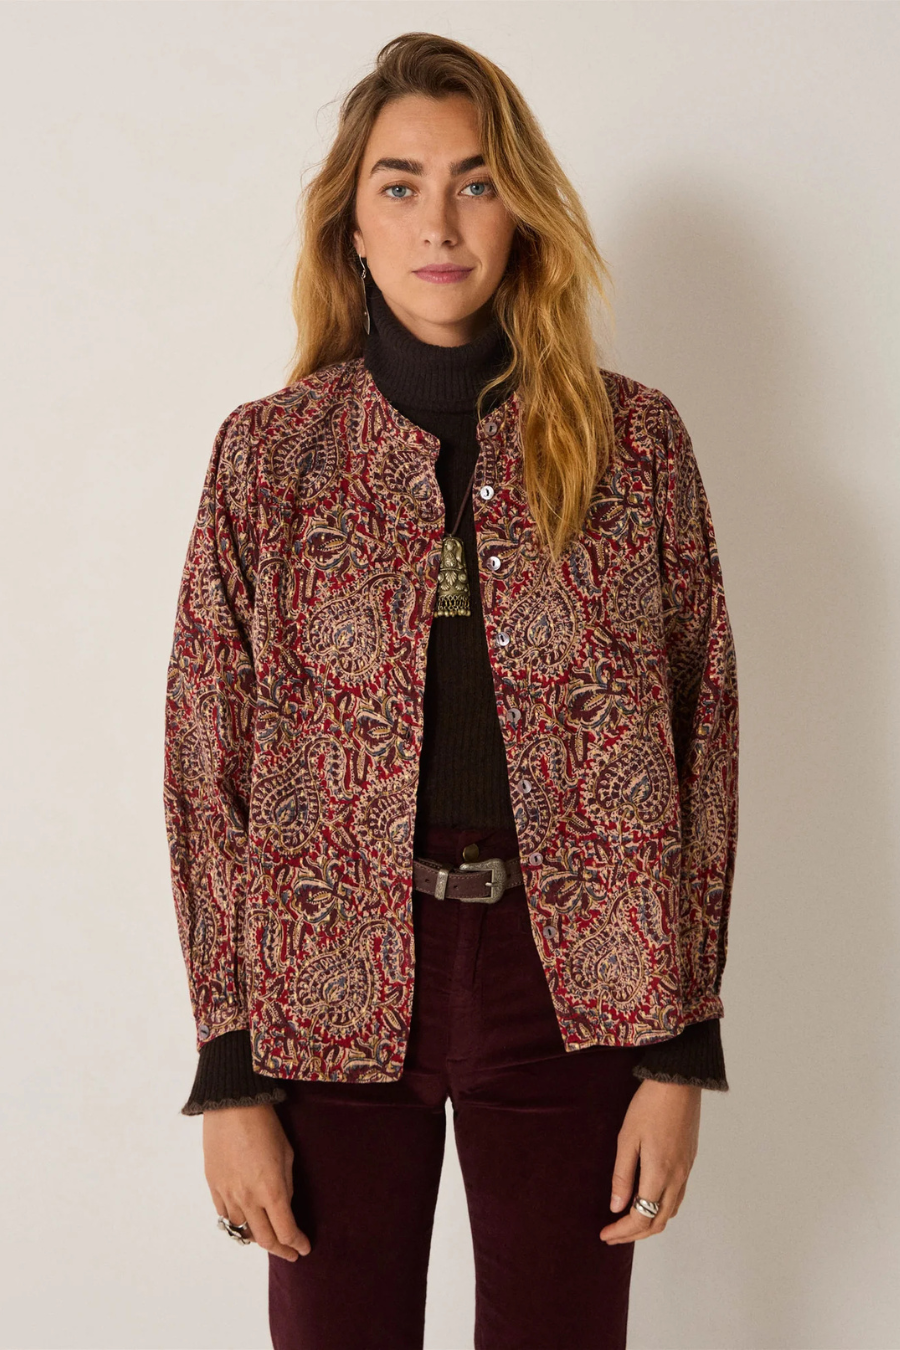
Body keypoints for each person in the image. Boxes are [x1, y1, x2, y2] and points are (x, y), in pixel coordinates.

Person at [163, 31, 739, 1350]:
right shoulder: (268, 458)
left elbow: (703, 741)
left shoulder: (638, 446)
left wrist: (679, 1048)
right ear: (352, 227)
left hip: (577, 981)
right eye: (401, 184)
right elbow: (208, 767)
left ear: (521, 211)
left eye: (476, 183)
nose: (440, 221)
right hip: (324, 977)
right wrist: (228, 1073)